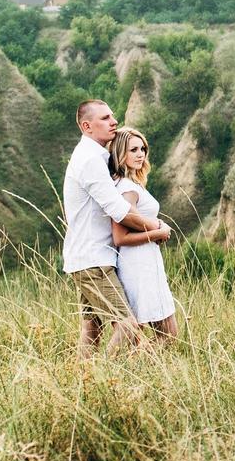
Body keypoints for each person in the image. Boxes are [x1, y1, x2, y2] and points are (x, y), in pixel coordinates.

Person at [62, 99, 168, 358]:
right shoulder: (90, 160)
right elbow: (118, 210)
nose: (114, 121)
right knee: (128, 325)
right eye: (106, 118)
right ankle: (107, 379)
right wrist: (157, 227)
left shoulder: (93, 157)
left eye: (113, 116)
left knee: (92, 327)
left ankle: (83, 381)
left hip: (86, 258)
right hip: (93, 260)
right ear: (87, 126)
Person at [108, 127, 178, 341]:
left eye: (143, 149)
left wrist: (157, 231)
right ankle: (121, 369)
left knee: (163, 334)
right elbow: (120, 237)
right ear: (120, 154)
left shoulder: (131, 184)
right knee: (166, 335)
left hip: (146, 262)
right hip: (138, 266)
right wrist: (158, 233)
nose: (141, 154)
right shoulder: (126, 189)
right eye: (133, 150)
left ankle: (138, 369)